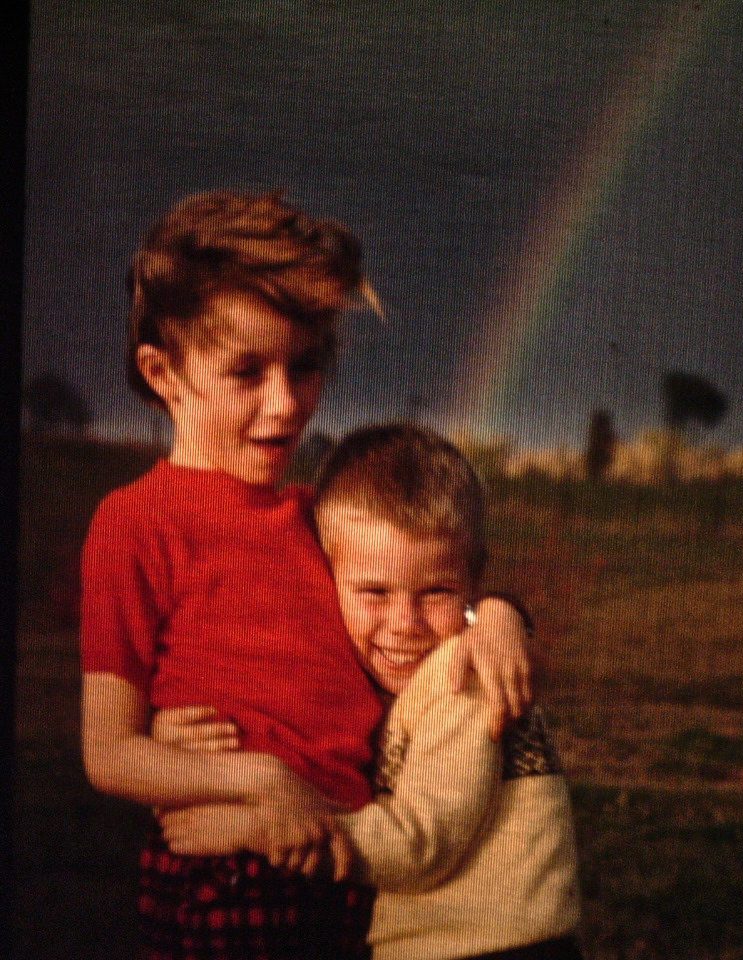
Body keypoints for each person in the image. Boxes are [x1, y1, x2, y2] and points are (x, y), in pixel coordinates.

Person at [79, 190, 535, 960]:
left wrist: (496, 614)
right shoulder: (133, 523)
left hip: (354, 858)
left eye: (307, 367)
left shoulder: (318, 517)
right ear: (163, 372)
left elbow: (410, 609)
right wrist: (261, 780)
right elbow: (109, 754)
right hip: (236, 871)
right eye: (246, 372)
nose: (285, 405)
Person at [158, 423, 584, 960]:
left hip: (496, 949)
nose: (404, 623)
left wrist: (261, 828)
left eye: (435, 592)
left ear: (474, 583)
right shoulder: (387, 673)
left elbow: (417, 844)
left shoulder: (464, 679)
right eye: (374, 592)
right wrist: (178, 726)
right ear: (324, 578)